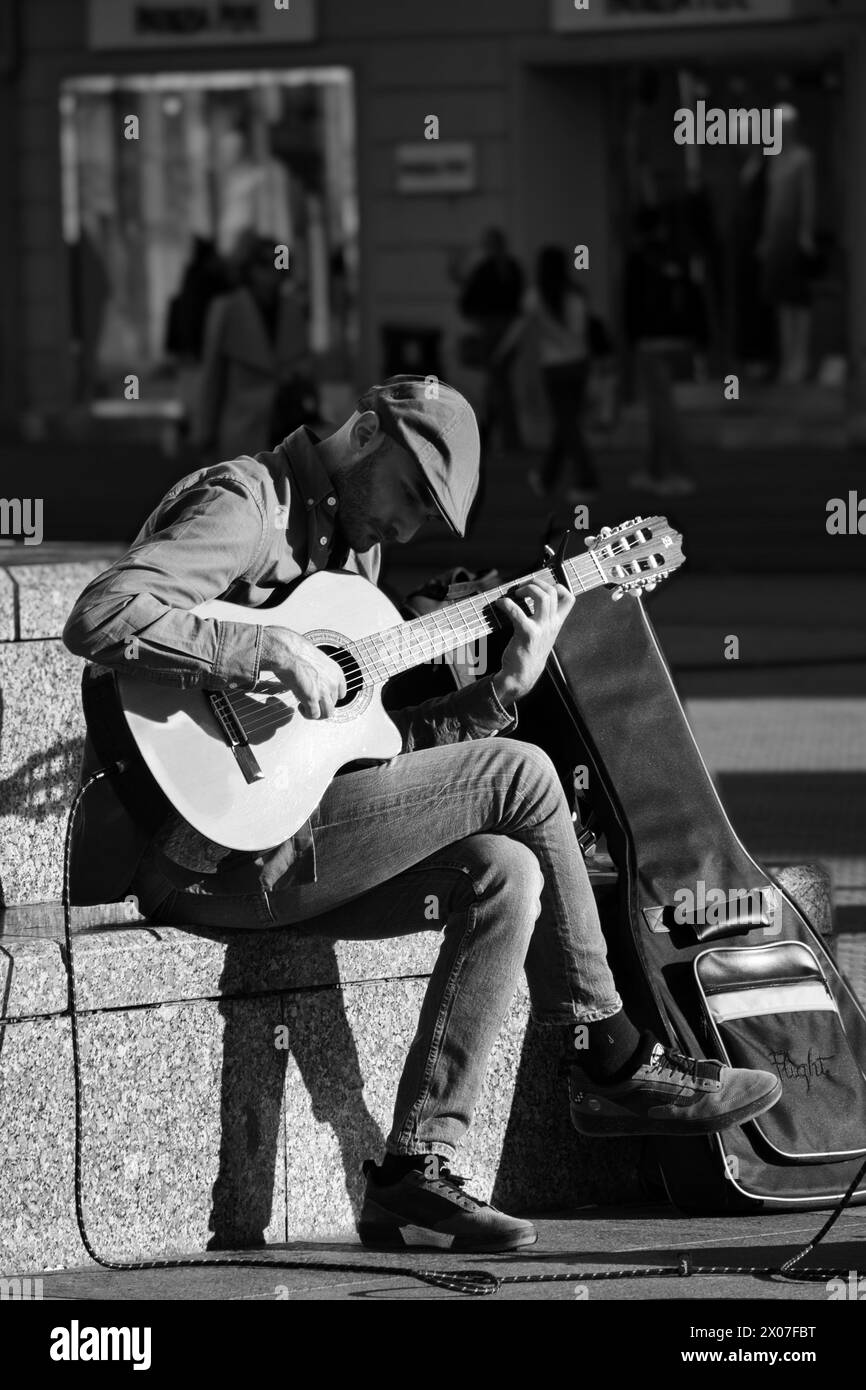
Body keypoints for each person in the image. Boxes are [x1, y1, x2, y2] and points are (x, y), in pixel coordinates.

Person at [63, 375, 780, 1253]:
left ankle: (416, 1169)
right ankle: (611, 1052)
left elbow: (369, 754)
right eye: (408, 494)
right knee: (519, 772)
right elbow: (100, 612)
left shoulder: (352, 556)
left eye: (425, 519)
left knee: (505, 871)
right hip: (198, 854)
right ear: (364, 431)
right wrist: (266, 644)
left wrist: (501, 690)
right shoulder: (248, 506)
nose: (405, 530)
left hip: (291, 841)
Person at [494, 245, 600, 504]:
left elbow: (517, 329)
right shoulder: (575, 295)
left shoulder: (535, 297)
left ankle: (587, 480)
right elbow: (581, 332)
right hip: (578, 365)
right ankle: (546, 479)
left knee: (567, 425)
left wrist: (499, 354)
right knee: (566, 424)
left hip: (554, 369)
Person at [195, 230, 311, 462]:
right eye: (263, 265)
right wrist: (205, 432)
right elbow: (213, 375)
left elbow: (304, 365)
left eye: (277, 265)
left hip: (285, 425)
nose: (271, 274)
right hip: (242, 428)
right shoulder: (227, 309)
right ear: (249, 270)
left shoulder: (292, 309)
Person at [624, 206, 698, 497]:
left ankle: (677, 471)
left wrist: (631, 340)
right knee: (659, 409)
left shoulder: (638, 259)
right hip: (676, 339)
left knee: (662, 410)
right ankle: (654, 469)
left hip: (650, 341)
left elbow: (630, 303)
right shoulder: (675, 256)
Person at [757, 105, 816, 385]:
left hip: (794, 236)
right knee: (781, 301)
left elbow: (807, 196)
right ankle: (786, 360)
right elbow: (770, 203)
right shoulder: (774, 159)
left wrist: (806, 232)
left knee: (799, 301)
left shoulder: (803, 158)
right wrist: (766, 238)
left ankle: (800, 360)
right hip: (778, 236)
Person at [454, 228, 525, 453]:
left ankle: (495, 437)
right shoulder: (513, 268)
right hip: (509, 329)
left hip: (490, 331)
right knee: (499, 383)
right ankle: (501, 437)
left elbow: (467, 302)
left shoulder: (484, 271)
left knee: (497, 385)